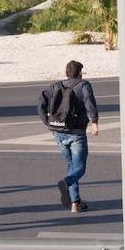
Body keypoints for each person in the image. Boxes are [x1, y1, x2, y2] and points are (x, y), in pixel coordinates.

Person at [38, 60, 100, 213]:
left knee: (71, 166)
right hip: (76, 133)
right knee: (79, 168)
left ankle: (75, 203)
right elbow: (89, 101)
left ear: (66, 72)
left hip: (59, 133)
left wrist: (48, 123)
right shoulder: (83, 85)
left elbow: (41, 103)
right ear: (79, 73)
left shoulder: (55, 86)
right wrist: (94, 122)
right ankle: (66, 183)